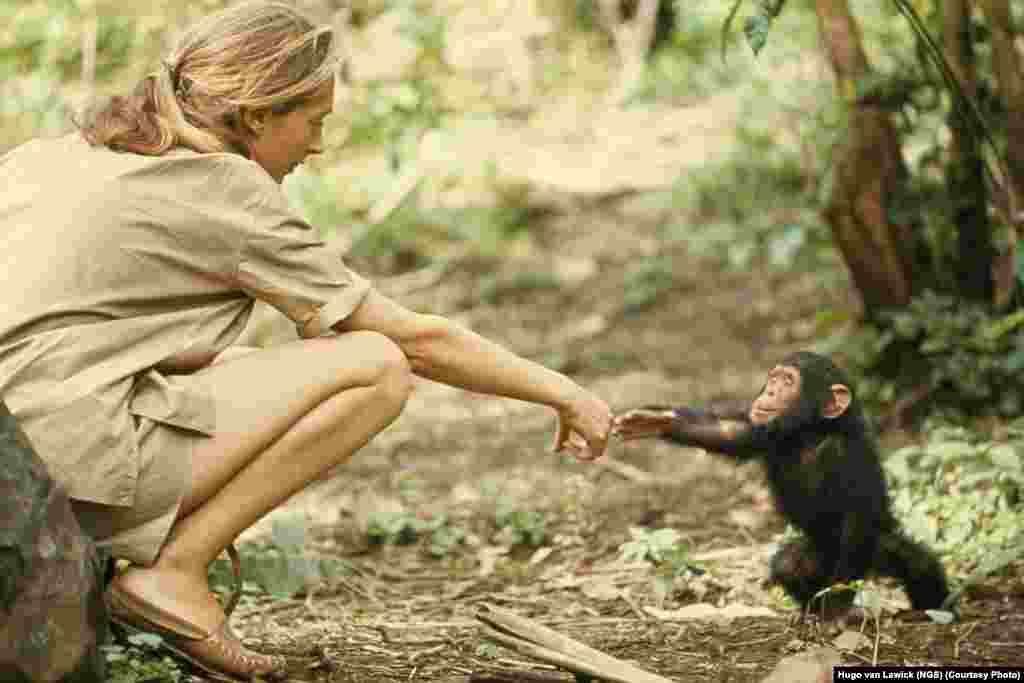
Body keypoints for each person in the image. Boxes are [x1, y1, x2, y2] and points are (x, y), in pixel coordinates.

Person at [0, 2, 612, 679]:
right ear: (259, 115)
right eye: (314, 121)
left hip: (15, 456)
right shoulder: (227, 187)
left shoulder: (55, 154)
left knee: (238, 363)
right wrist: (562, 391)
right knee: (373, 366)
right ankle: (171, 574)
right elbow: (410, 339)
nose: (317, 145)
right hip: (58, 473)